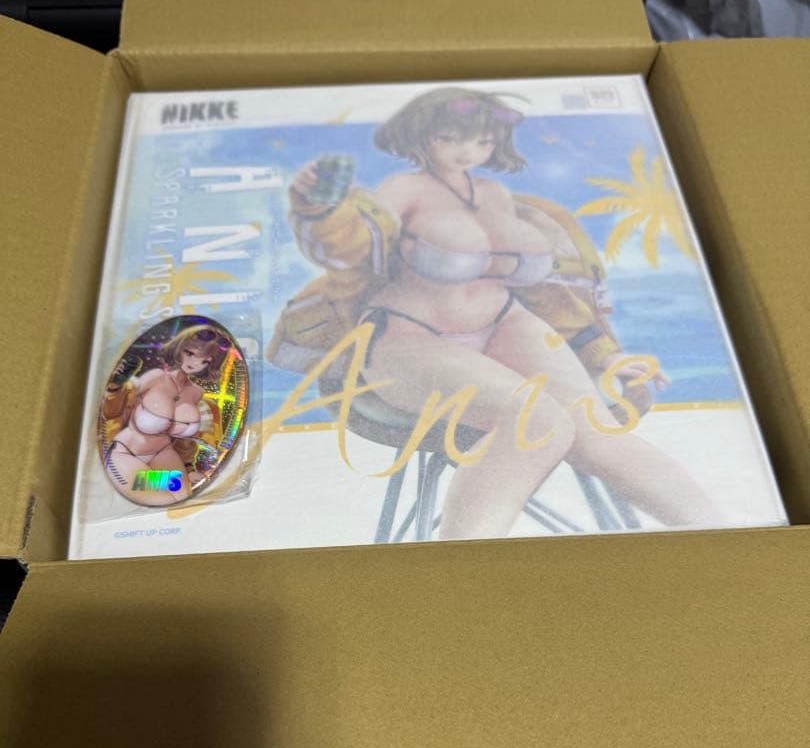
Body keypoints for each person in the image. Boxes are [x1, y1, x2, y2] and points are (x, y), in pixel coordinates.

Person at [276, 85, 720, 539]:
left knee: (598, 433)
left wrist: (604, 353)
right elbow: (353, 245)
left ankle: (720, 535)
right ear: (423, 136)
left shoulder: (494, 194)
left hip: (507, 323)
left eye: (482, 141)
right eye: (451, 138)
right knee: (538, 422)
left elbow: (547, 293)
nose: (467, 151)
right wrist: (319, 208)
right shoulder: (403, 190)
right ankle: (464, 562)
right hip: (412, 336)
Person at [100, 324, 227, 506]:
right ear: (179, 349)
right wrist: (115, 387)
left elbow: (185, 441)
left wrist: (188, 468)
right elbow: (117, 409)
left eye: (205, 361)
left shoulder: (196, 392)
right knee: (162, 498)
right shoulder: (156, 377)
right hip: (126, 452)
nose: (194, 363)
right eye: (189, 353)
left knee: (181, 497)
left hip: (162, 452)